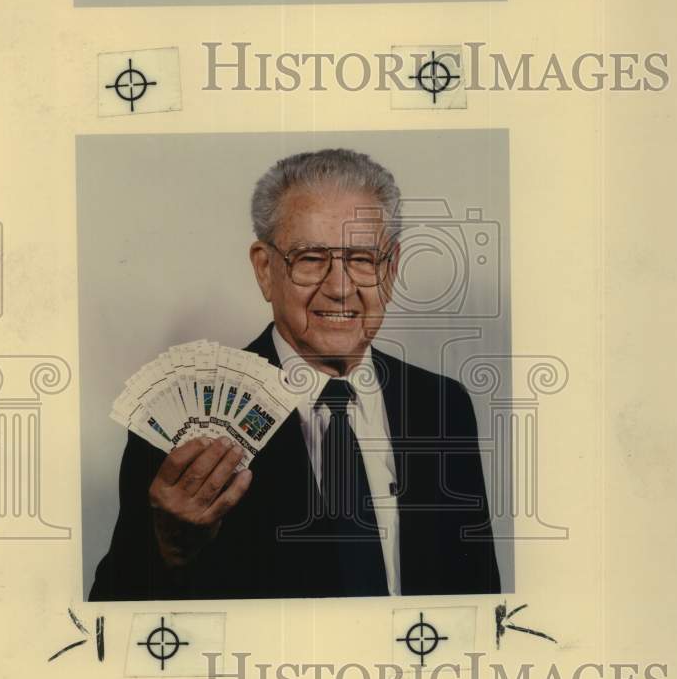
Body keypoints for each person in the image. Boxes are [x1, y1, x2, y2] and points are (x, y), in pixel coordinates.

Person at [89, 148, 500, 600]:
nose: (340, 288)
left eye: (362, 259)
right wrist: (166, 549)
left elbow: (477, 598)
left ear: (391, 268)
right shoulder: (179, 420)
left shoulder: (443, 406)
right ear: (265, 270)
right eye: (310, 259)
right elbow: (111, 615)